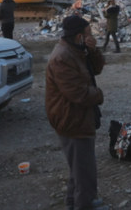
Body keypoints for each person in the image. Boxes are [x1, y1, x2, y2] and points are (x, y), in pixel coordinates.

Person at [45, 15, 108, 210]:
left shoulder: (76, 51)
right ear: (78, 36)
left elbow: (96, 69)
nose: (90, 37)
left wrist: (93, 50)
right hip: (71, 118)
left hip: (78, 116)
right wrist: (98, 94)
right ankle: (85, 204)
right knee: (84, 171)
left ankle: (74, 202)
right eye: (88, 34)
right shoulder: (62, 57)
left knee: (78, 167)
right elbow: (78, 94)